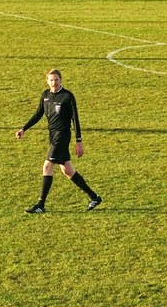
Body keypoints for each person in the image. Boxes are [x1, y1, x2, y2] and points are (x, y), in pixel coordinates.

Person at [15, 69, 102, 213]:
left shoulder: (67, 96)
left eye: (56, 80)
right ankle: (94, 197)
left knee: (47, 167)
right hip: (53, 136)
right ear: (47, 81)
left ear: (61, 80)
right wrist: (24, 129)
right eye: (51, 80)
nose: (54, 82)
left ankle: (40, 205)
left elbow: (75, 119)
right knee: (67, 170)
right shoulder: (45, 95)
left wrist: (78, 141)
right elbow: (38, 114)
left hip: (62, 136)